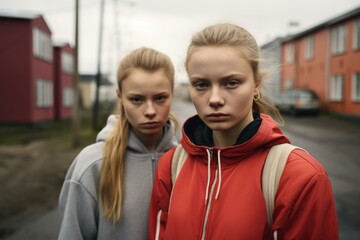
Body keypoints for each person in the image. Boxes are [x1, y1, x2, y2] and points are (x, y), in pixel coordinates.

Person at [148, 23, 338, 240]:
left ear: (256, 84)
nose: (215, 99)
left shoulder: (300, 177)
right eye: (201, 85)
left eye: (231, 83)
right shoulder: (171, 166)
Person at [58, 47, 178, 240]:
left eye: (160, 98)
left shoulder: (184, 162)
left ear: (172, 95)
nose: (149, 111)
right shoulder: (92, 164)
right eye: (136, 99)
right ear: (120, 96)